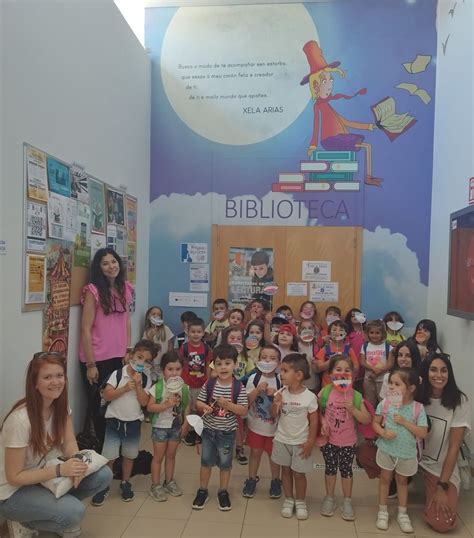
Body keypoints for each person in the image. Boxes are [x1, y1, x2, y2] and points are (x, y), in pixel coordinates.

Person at [0, 352, 112, 537]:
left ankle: (51, 509)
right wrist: (61, 470)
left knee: (103, 474)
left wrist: (77, 463)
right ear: (34, 383)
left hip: (39, 477)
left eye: (59, 375)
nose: (55, 382)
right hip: (11, 492)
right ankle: (24, 521)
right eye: (47, 377)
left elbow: (69, 442)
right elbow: (14, 477)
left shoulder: (59, 407)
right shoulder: (20, 420)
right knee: (74, 513)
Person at [79, 248, 134, 447]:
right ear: (99, 268)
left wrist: (128, 349)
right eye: (105, 263)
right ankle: (103, 450)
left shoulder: (125, 287)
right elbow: (85, 328)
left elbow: (126, 320)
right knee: (100, 406)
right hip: (97, 358)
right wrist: (90, 364)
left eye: (114, 261)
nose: (111, 266)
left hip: (119, 356)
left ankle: (117, 450)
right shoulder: (92, 290)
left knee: (118, 404)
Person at [91, 340, 155, 506]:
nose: (140, 362)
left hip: (133, 424)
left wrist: (139, 386)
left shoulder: (147, 379)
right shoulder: (118, 374)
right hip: (114, 422)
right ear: (131, 355)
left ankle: (125, 482)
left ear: (149, 364)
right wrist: (125, 388)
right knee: (109, 456)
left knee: (129, 455)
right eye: (139, 357)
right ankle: (104, 485)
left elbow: (144, 402)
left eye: (146, 360)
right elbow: (107, 395)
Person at [192, 345, 248, 511]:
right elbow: (198, 402)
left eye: (227, 363)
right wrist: (205, 407)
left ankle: (223, 492)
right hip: (208, 432)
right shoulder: (209, 384)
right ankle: (202, 490)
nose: (223, 367)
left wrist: (228, 405)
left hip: (227, 434)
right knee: (205, 462)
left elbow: (243, 410)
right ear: (214, 366)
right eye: (219, 363)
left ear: (235, 365)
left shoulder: (239, 387)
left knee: (225, 464)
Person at [419, 354, 471, 533]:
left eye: (444, 370)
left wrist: (442, 486)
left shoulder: (459, 401)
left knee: (442, 523)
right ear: (425, 373)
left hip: (439, 468)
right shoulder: (417, 396)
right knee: (368, 455)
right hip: (414, 459)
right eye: (433, 370)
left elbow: (455, 447)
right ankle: (397, 485)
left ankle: (434, 488)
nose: (438, 375)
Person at [372, 368, 428, 533]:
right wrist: (382, 433)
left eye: (397, 384)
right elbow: (375, 423)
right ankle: (382, 511)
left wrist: (404, 422)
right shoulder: (385, 404)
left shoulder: (418, 408)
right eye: (390, 383)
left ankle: (402, 513)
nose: (391, 387)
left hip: (407, 453)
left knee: (402, 482)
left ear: (411, 388)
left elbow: (423, 432)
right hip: (387, 449)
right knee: (384, 479)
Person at [318, 355, 372, 521]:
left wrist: (353, 410)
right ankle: (329, 498)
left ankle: (347, 501)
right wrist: (322, 422)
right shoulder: (325, 392)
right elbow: (318, 411)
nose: (342, 373)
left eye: (347, 370)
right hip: (329, 440)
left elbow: (367, 419)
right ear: (331, 373)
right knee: (330, 469)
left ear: (353, 375)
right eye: (338, 369)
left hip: (348, 441)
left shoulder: (355, 396)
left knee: (346, 471)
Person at [271, 353, 318, 520]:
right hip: (281, 439)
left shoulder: (310, 397)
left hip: (300, 442)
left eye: (284, 371)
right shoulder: (281, 392)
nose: (281, 374)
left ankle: (300, 501)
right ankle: (289, 499)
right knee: (285, 470)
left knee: (299, 473)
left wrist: (310, 442)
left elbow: (314, 421)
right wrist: (276, 404)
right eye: (281, 370)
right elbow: (273, 415)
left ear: (298, 375)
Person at [147, 352, 190, 502]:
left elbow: (186, 406)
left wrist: (186, 423)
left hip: (176, 426)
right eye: (170, 369)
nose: (174, 373)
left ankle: (169, 481)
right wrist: (167, 404)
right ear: (163, 370)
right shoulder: (157, 387)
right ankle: (155, 485)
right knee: (158, 457)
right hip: (160, 426)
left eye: (177, 369)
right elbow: (150, 407)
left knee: (171, 456)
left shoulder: (184, 388)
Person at [242, 345, 282, 499]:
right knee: (255, 452)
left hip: (275, 428)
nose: (267, 361)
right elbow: (247, 401)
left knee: (274, 456)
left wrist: (276, 394)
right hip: (256, 426)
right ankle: (251, 479)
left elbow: (284, 403)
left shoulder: (280, 380)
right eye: (264, 357)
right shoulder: (254, 378)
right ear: (258, 360)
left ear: (279, 363)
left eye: (272, 358)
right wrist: (256, 390)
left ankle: (275, 481)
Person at [179, 318, 212, 447]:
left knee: (200, 408)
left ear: (203, 333)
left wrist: (208, 380)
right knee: (188, 408)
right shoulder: (185, 347)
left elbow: (209, 364)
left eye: (199, 331)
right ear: (188, 332)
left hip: (202, 384)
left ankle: (200, 431)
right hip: (187, 382)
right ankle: (189, 431)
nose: (196, 334)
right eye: (193, 331)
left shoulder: (206, 348)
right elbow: (180, 362)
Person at [315, 320, 359, 387]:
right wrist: (332, 360)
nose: (337, 332)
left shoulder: (349, 350)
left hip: (344, 385)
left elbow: (356, 368)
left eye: (341, 330)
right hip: (327, 385)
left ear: (345, 334)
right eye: (334, 330)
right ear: (329, 333)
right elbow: (319, 367)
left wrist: (345, 362)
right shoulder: (324, 349)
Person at [360, 319, 393, 407]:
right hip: (368, 379)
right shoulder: (365, 346)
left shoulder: (388, 346)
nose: (374, 335)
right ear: (368, 333)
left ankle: (383, 419)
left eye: (377, 333)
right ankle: (370, 418)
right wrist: (374, 369)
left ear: (382, 333)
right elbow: (362, 362)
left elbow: (390, 364)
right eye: (372, 332)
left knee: (384, 401)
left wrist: (378, 372)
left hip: (383, 380)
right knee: (369, 401)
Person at [142, 306, 175, 380]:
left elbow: (170, 343)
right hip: (152, 363)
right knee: (152, 380)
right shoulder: (147, 332)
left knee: (162, 380)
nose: (156, 316)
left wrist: (168, 357)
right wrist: (150, 337)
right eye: (154, 314)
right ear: (148, 316)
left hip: (163, 362)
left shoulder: (165, 329)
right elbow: (146, 347)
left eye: (158, 314)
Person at [297, 319, 320, 394]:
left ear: (314, 331)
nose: (307, 331)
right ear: (299, 331)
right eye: (303, 328)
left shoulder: (317, 347)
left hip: (312, 384)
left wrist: (316, 365)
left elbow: (318, 369)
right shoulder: (295, 346)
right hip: (297, 384)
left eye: (310, 328)